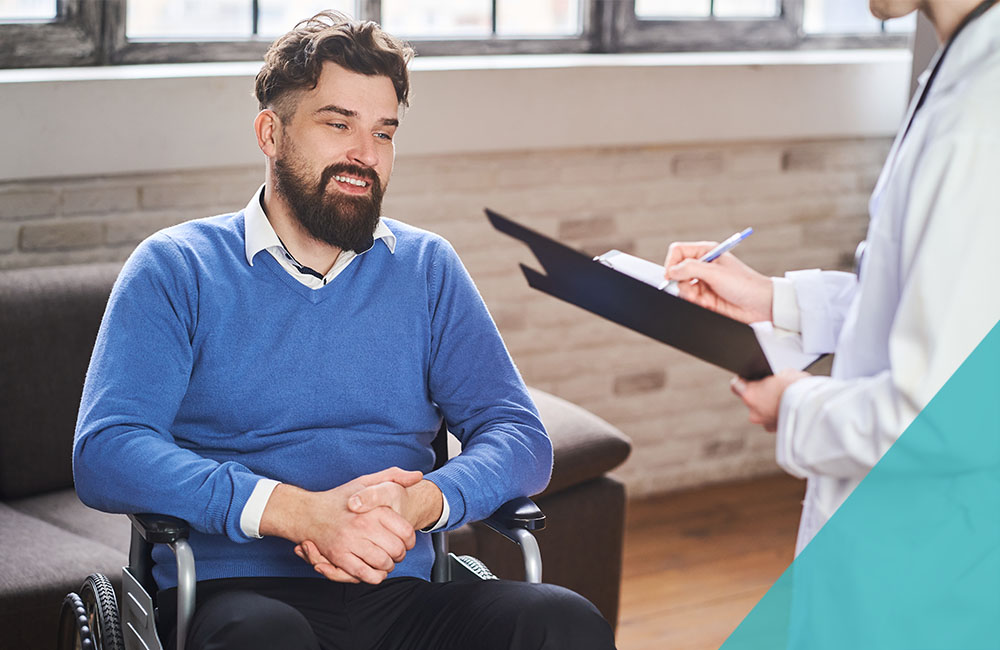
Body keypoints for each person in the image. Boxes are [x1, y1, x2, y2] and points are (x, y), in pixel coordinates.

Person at [73, 11, 615, 650]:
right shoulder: (178, 267)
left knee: (566, 621)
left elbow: (521, 437)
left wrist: (419, 504)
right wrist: (303, 514)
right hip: (238, 594)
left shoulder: (426, 268)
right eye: (338, 124)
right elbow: (108, 449)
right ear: (270, 133)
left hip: (403, 593)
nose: (365, 154)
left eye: (383, 133)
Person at [663, 0, 1000, 556]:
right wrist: (778, 300)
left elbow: (941, 416)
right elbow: (934, 303)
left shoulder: (977, 122)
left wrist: (794, 405)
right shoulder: (959, 70)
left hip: (934, 556)